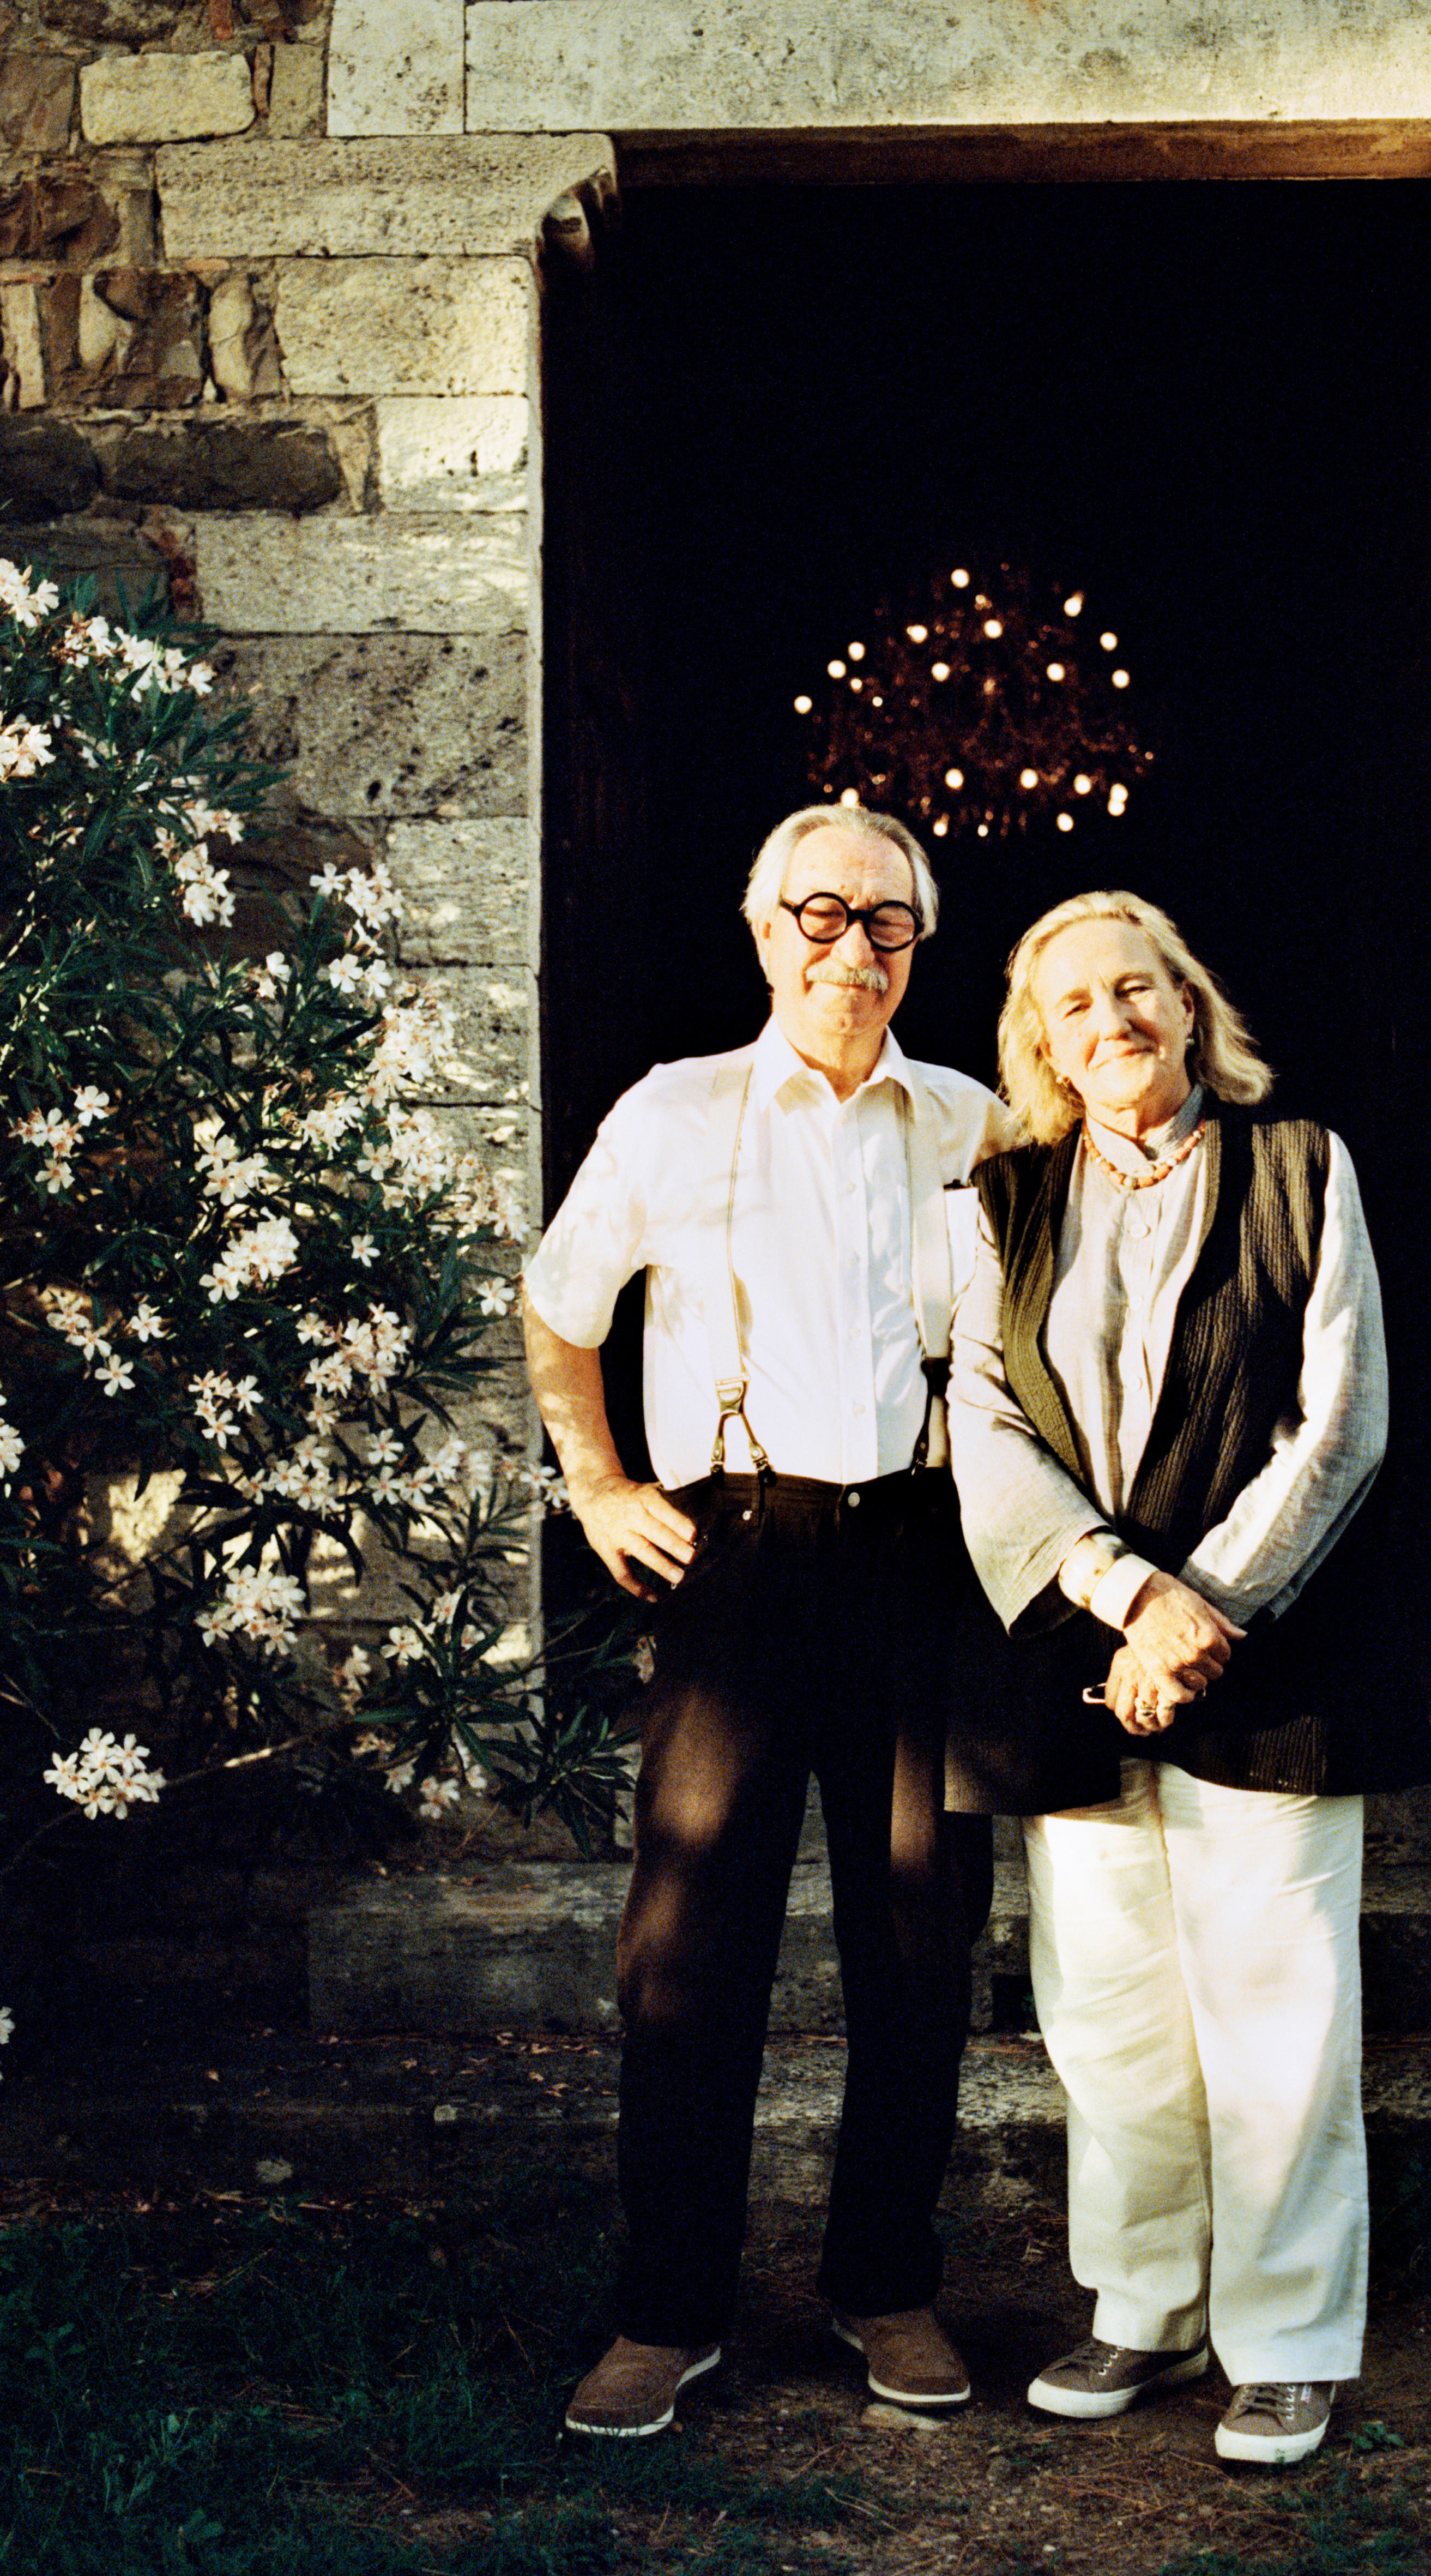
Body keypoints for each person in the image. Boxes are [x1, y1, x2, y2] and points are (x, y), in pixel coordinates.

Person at [523, 802, 1015, 2440]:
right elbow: (558, 1307)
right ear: (763, 933)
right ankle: (668, 2312)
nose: (851, 949)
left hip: (923, 1560)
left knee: (919, 1939)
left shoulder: (978, 1122)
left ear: (915, 950)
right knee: (685, 1949)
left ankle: (886, 2283)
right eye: (821, 914)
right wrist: (596, 1484)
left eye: (887, 925)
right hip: (737, 1557)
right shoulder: (676, 1113)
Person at [946, 889, 1431, 2467]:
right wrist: (1122, 1596)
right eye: (1075, 1004)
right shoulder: (1005, 1193)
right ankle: (1146, 2304)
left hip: (1267, 1654)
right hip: (1080, 1651)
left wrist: (1205, 1607)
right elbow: (983, 1421)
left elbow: (1342, 1414)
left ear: (1188, 1002)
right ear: (1043, 1043)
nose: (1114, 1022)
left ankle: (1287, 2337)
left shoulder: (1301, 1164)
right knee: (1108, 2008)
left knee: (1278, 2001)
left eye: (1139, 989)